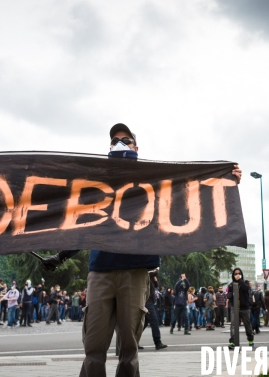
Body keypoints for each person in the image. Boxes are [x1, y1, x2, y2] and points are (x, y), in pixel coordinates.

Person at [40, 123, 242, 376]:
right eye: (114, 140)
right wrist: (61, 256)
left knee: (129, 350)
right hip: (101, 272)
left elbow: (189, 199)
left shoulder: (153, 183)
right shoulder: (98, 183)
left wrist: (226, 182)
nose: (119, 144)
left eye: (125, 140)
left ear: (137, 147)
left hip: (135, 273)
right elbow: (83, 224)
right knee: (93, 348)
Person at [227, 267, 254, 349]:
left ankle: (250, 340)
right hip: (234, 308)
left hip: (244, 308)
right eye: (235, 274)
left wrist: (240, 280)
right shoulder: (231, 284)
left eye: (239, 273)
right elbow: (228, 295)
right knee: (233, 325)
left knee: (247, 325)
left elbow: (246, 289)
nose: (237, 275)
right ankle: (232, 341)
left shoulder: (244, 282)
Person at [141, 268, 168, 350]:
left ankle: (134, 340)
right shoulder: (146, 273)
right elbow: (155, 272)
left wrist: (155, 279)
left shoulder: (150, 277)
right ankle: (158, 342)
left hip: (149, 301)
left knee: (144, 323)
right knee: (154, 321)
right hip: (147, 301)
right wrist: (157, 268)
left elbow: (156, 286)